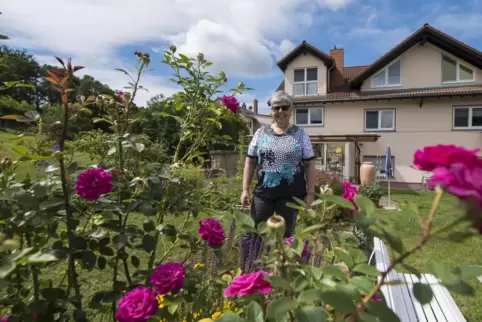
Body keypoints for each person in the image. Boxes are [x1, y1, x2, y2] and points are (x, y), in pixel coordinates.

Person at [239, 90, 316, 272]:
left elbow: (310, 164)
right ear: (271, 110)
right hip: (263, 194)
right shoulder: (261, 133)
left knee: (286, 237)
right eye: (276, 108)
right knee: (254, 232)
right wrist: (244, 190)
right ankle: (249, 270)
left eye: (284, 107)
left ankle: (280, 273)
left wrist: (311, 193)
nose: (280, 111)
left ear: (291, 110)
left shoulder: (301, 134)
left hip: (291, 196)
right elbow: (250, 161)